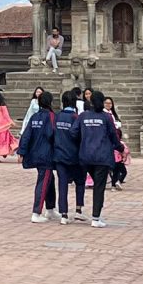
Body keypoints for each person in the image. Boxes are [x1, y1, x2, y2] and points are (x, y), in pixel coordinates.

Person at [69, 90, 124, 228]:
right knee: (99, 187)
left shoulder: (83, 116)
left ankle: (93, 215)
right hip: (102, 156)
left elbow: (73, 132)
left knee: (94, 183)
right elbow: (113, 135)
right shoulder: (106, 117)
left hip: (86, 155)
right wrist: (120, 148)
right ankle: (96, 217)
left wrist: (84, 140)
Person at [18, 91, 57, 223]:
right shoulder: (51, 116)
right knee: (43, 182)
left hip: (35, 153)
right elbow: (52, 134)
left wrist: (22, 152)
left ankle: (50, 209)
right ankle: (36, 212)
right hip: (46, 155)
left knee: (49, 179)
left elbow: (26, 135)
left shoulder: (35, 117)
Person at [54, 91, 87, 225]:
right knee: (80, 182)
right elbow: (80, 136)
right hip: (75, 156)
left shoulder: (57, 117)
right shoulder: (76, 117)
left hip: (59, 155)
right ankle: (78, 210)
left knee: (62, 184)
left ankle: (64, 214)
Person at [105, 96, 129, 189]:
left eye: (110, 103)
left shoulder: (113, 114)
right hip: (108, 142)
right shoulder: (104, 115)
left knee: (118, 166)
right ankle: (114, 182)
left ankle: (115, 181)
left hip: (116, 141)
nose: (108, 105)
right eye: (106, 103)